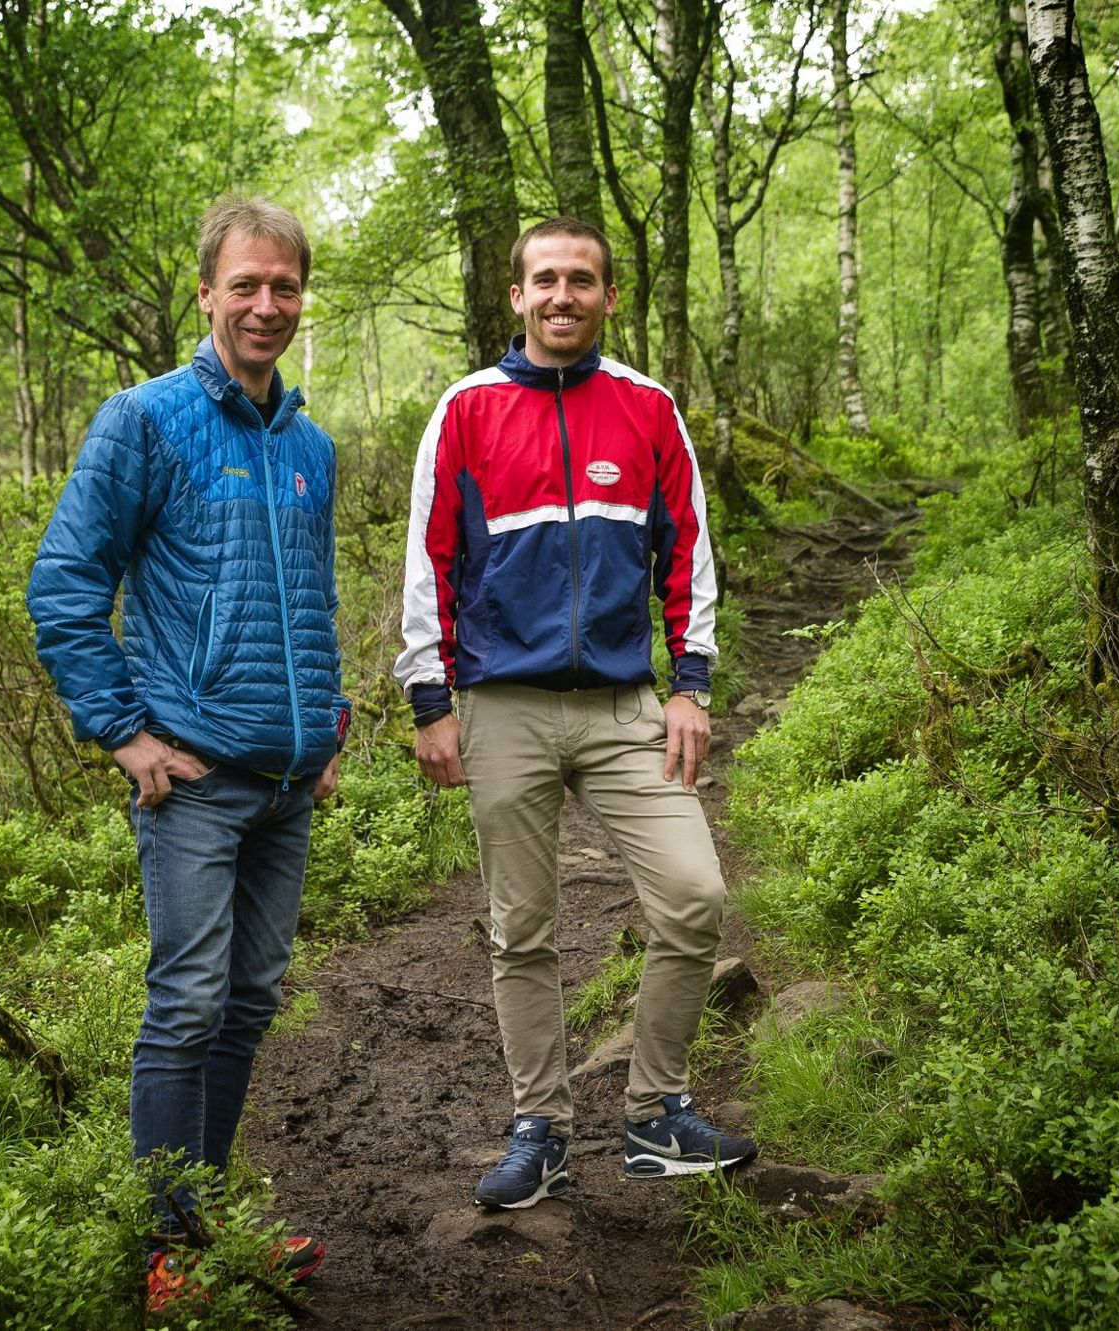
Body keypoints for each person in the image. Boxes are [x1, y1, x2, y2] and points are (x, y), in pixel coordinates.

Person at [396, 216, 757, 1210]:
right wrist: (429, 699)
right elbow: (428, 555)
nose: (562, 295)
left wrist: (689, 682)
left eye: (582, 280)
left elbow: (687, 548)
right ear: (514, 296)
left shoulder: (646, 407)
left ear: (606, 295)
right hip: (499, 705)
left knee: (691, 895)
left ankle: (654, 1113)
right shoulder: (464, 410)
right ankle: (540, 1128)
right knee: (523, 928)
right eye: (544, 280)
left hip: (619, 701)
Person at [26, 195, 344, 1298]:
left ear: (302, 297)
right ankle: (168, 1248)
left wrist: (331, 722)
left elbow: (308, 595)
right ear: (204, 291)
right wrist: (123, 732)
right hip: (195, 780)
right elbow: (65, 587)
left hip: (286, 782)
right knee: (188, 1000)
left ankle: (207, 1222)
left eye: (284, 286)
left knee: (249, 997)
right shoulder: (145, 420)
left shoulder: (310, 444)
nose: (265, 305)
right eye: (245, 284)